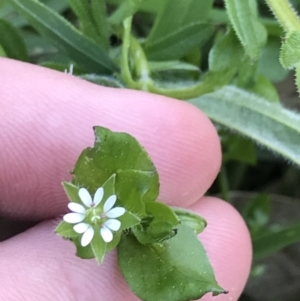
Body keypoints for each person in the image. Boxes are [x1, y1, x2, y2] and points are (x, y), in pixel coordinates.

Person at [0, 58, 251, 301]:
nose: (95, 215)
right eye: (95, 215)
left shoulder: (117, 215)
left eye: (95, 214)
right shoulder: (107, 210)